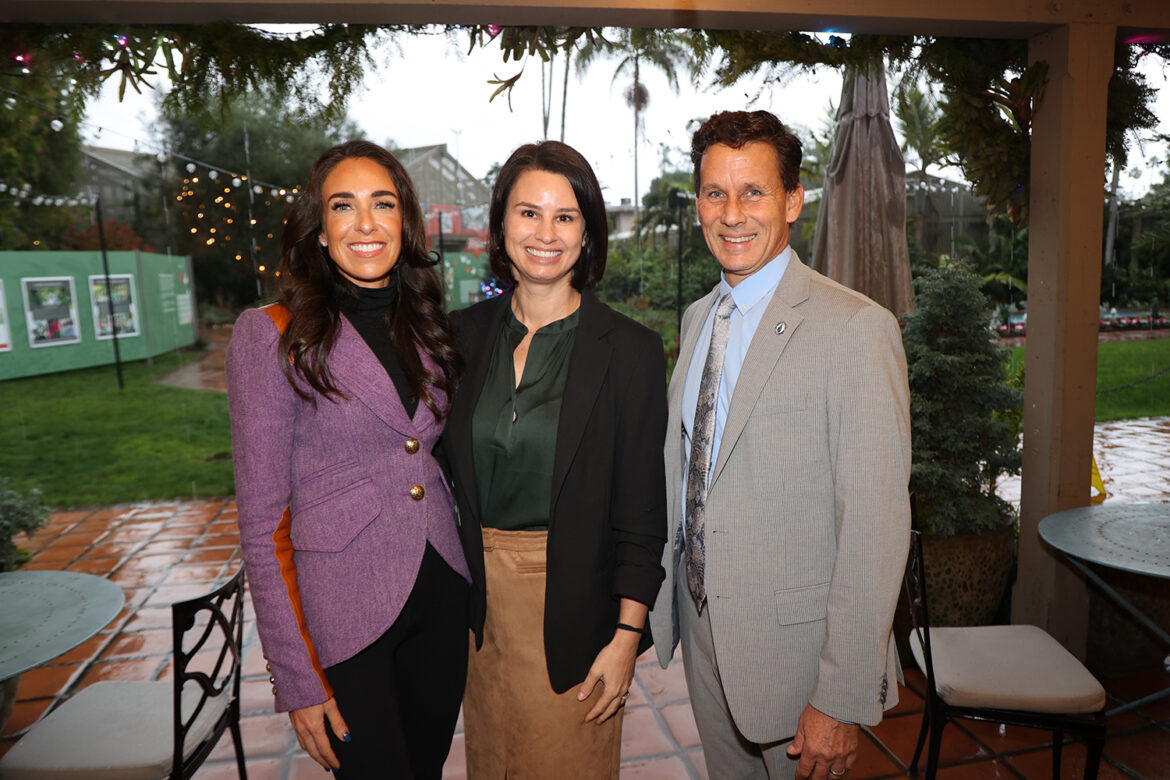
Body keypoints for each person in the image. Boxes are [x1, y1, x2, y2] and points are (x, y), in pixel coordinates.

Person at [647, 110, 912, 780]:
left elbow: (876, 529)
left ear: (793, 200)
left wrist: (841, 696)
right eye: (715, 193)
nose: (732, 214)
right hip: (706, 637)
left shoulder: (856, 328)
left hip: (801, 660)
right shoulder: (699, 317)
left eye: (754, 192)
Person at [226, 140, 469, 778]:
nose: (366, 223)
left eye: (382, 204)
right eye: (344, 206)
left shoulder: (425, 323)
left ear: (405, 223)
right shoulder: (274, 333)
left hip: (440, 592)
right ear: (320, 229)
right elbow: (260, 524)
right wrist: (297, 678)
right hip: (345, 616)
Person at [441, 140, 667, 778]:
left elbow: (642, 509)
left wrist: (626, 639)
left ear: (589, 233)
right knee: (492, 763)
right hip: (476, 613)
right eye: (528, 213)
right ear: (501, 225)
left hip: (575, 608)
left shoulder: (630, 351)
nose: (545, 233)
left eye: (565, 217)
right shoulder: (458, 336)